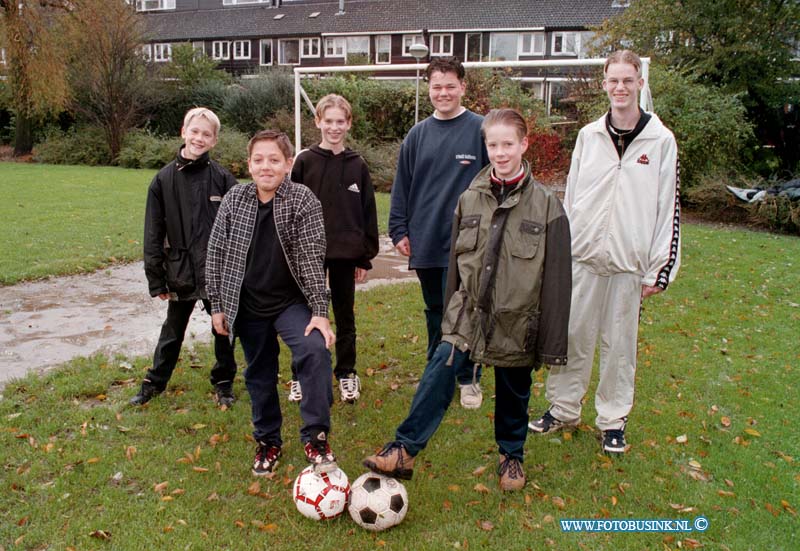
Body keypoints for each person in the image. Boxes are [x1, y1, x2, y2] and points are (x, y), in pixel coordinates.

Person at [364, 109, 572, 491]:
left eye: (508, 144)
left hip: (517, 316)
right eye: (493, 145)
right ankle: (404, 449)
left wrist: (552, 343)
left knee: (513, 387)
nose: (500, 152)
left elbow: (558, 280)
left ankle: (512, 456)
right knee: (440, 368)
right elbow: (456, 265)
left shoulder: (547, 205)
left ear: (524, 145)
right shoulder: (470, 199)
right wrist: (449, 314)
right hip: (467, 311)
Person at [529, 50, 681, 454]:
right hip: (583, 258)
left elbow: (669, 208)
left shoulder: (661, 141)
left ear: (640, 84)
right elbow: (572, 196)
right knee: (572, 337)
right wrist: (562, 251)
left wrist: (659, 268)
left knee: (619, 346)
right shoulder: (589, 136)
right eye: (613, 80)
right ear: (604, 85)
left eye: (627, 80)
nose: (620, 88)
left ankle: (613, 420)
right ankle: (562, 409)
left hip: (629, 264)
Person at [206, 130, 338, 476]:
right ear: (249, 164)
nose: (266, 167)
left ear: (288, 164)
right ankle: (268, 441)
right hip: (246, 305)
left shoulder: (302, 200)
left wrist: (320, 313)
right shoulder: (235, 199)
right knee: (259, 373)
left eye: (274, 160)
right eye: (259, 160)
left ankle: (316, 437)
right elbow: (216, 254)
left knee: (314, 350)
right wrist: (217, 305)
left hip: (289, 302)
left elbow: (312, 259)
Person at [388, 56, 490, 409]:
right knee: (435, 309)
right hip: (426, 237)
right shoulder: (417, 135)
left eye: (450, 86)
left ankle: (468, 376)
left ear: (463, 87)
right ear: (428, 89)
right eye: (436, 87)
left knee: (465, 310)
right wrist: (398, 228)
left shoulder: (480, 130)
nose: (443, 93)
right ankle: (436, 367)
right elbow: (402, 185)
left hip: (468, 243)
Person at [132, 107, 239, 407]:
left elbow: (242, 226)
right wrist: (156, 279)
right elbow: (152, 234)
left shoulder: (222, 179)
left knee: (223, 330)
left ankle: (224, 383)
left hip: (216, 274)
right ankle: (154, 383)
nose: (199, 138)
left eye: (206, 134)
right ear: (183, 132)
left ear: (214, 140)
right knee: (172, 331)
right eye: (194, 131)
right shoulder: (163, 181)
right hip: (180, 273)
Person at [288, 94, 379, 404]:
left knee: (344, 315)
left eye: (341, 121)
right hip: (308, 253)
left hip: (345, 253)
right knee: (305, 314)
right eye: (329, 121)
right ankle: (300, 375)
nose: (335, 127)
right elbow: (289, 207)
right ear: (318, 123)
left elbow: (367, 213)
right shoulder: (305, 162)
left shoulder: (357, 165)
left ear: (349, 123)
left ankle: (346, 373)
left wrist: (364, 257)